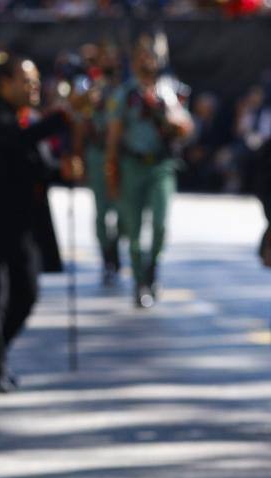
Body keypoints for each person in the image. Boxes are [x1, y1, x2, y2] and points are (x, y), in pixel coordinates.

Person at [0, 55, 69, 393]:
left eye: (36, 80)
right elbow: (15, 141)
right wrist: (60, 119)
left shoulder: (27, 118)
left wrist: (63, 170)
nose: (34, 86)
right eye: (26, 80)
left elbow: (38, 163)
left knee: (27, 293)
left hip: (23, 228)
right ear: (5, 83)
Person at [105, 37, 193, 308]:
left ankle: (153, 267)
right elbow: (114, 136)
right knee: (134, 229)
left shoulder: (171, 91)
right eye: (141, 57)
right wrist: (112, 172)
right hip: (133, 166)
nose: (146, 63)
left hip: (161, 166)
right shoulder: (126, 94)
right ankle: (139, 280)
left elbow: (186, 129)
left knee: (160, 225)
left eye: (151, 58)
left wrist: (168, 112)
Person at [73, 42, 123, 285]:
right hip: (97, 153)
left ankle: (115, 246)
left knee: (124, 213)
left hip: (123, 156)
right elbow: (80, 121)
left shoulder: (126, 89)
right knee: (102, 211)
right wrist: (79, 155)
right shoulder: (90, 87)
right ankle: (107, 257)